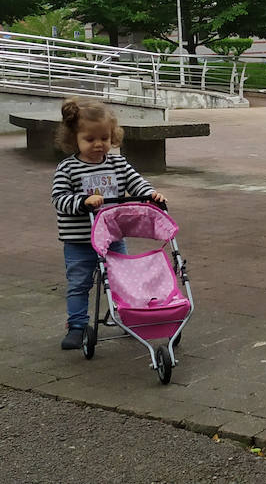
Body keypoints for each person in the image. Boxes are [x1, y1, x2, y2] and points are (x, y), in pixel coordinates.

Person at [51, 97, 167, 350]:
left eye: (103, 138)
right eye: (90, 139)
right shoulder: (68, 168)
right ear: (74, 139)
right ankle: (78, 325)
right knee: (80, 283)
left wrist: (150, 194)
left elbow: (136, 182)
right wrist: (83, 201)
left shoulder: (118, 163)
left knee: (122, 279)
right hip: (79, 240)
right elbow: (59, 199)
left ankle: (126, 316)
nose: (98, 144)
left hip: (113, 237)